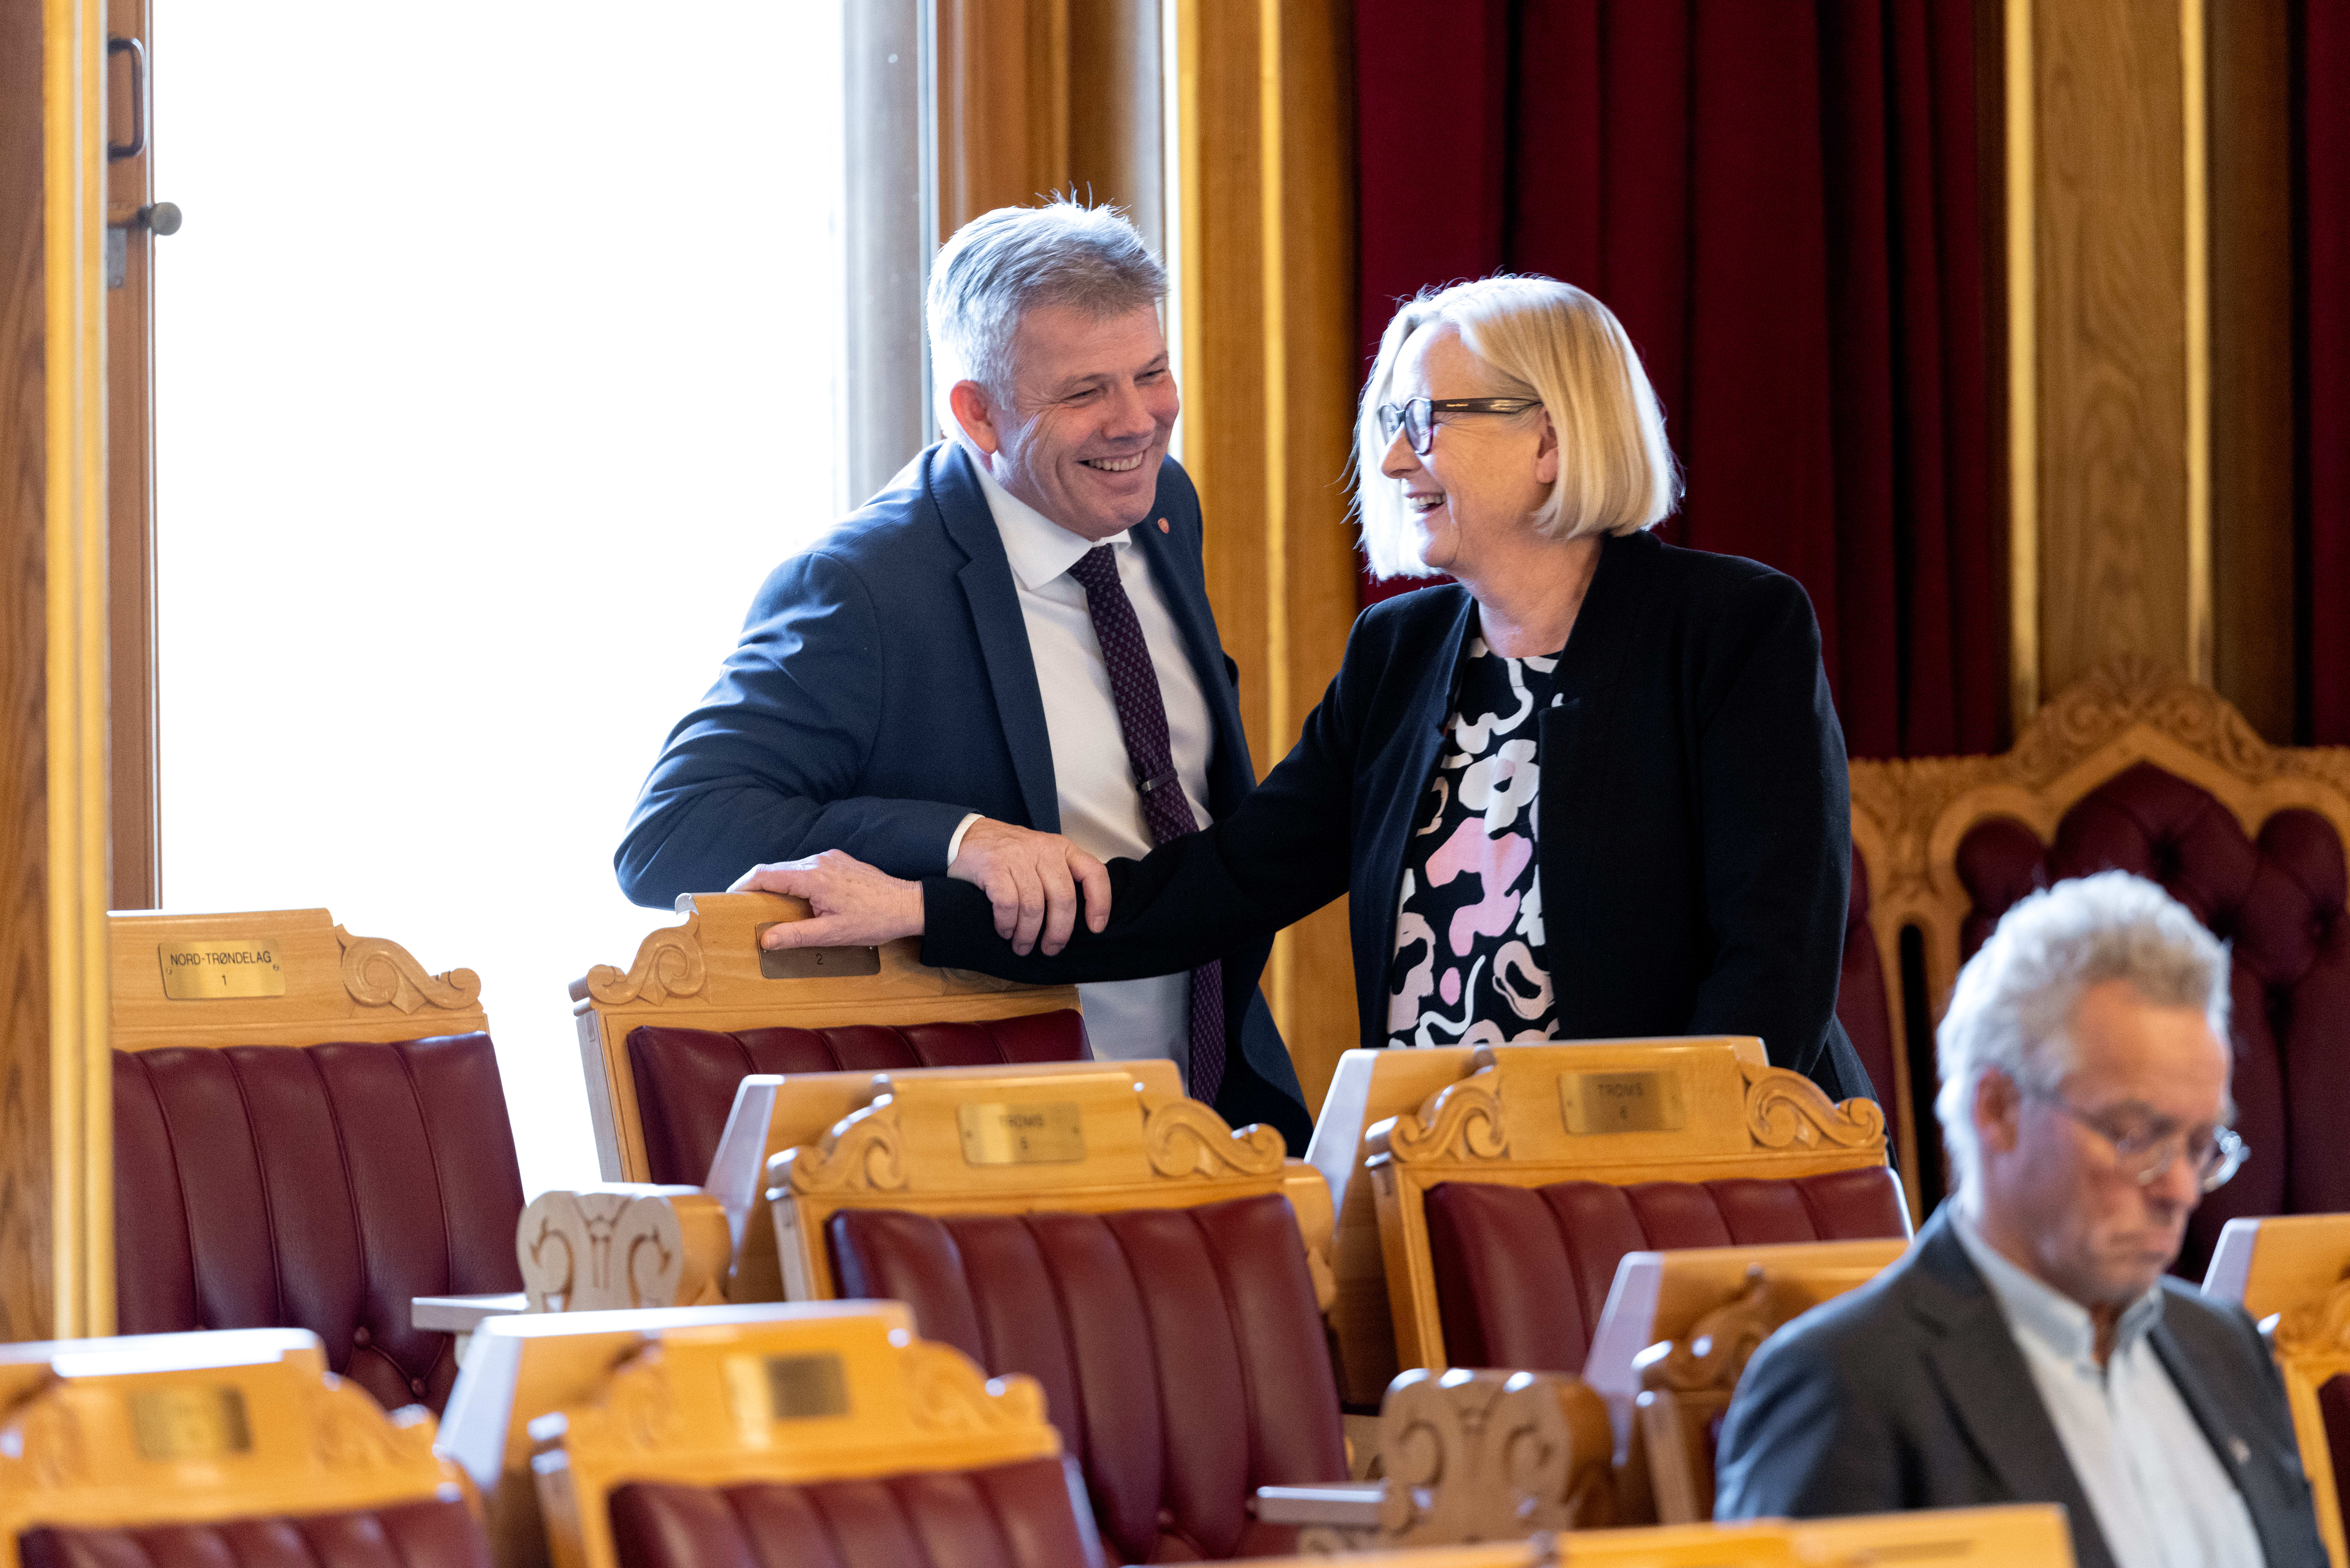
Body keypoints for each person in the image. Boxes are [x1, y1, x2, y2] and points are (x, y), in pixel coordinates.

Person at [743, 274, 1875, 1103]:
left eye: (1427, 422)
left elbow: (1770, 971)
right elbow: (1216, 884)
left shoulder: (1730, 628)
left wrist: (1657, 1158)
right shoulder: (1399, 653)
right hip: (1465, 1194)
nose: (1393, 460)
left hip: (1710, 1189)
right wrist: (926, 908)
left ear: (1549, 438)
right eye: (1390, 424)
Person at [614, 199, 1309, 1150]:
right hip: (999, 1132)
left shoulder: (1157, 503)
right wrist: (958, 839)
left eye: (1151, 373)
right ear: (977, 411)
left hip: (1220, 1106)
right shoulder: (862, 586)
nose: (1136, 422)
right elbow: (670, 836)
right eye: (1084, 392)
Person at [1714, 871, 2324, 1568]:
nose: (2181, 1189)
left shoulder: (2227, 1350)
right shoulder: (1846, 1385)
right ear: (1997, 1110)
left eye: (2198, 1144)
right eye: (2135, 1136)